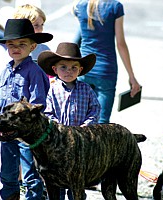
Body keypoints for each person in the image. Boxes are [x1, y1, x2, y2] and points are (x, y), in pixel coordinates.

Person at [0, 18, 52, 200]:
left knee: (30, 174)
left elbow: (38, 104)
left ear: (33, 47)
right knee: (8, 174)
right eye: (11, 44)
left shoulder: (34, 72)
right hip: (7, 133)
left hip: (27, 136)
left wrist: (22, 120)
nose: (16, 48)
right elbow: (0, 103)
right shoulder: (5, 71)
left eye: (21, 44)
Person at [37, 42, 101, 200]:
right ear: (55, 69)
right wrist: (57, 128)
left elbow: (95, 109)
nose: (68, 71)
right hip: (57, 142)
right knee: (56, 179)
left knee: (77, 179)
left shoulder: (86, 89)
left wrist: (87, 125)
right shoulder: (51, 89)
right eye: (63, 67)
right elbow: (47, 112)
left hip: (79, 142)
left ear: (80, 70)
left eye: (74, 67)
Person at [73, 0, 141, 123]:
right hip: (105, 71)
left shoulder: (81, 5)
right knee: (102, 122)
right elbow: (120, 44)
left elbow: (77, 39)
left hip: (84, 68)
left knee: (81, 117)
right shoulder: (115, 7)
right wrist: (131, 76)